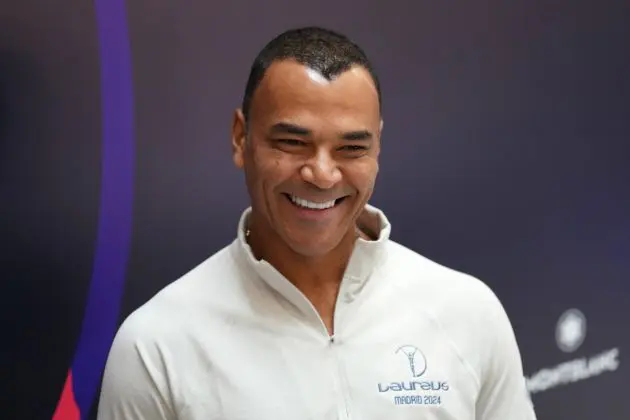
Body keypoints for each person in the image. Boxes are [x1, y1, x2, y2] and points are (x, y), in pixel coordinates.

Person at [97, 26, 537, 419]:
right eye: (292, 142)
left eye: (351, 148)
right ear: (240, 138)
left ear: (378, 146)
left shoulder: (468, 313)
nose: (322, 175)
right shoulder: (155, 347)